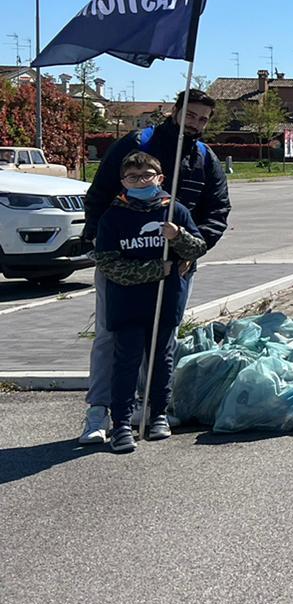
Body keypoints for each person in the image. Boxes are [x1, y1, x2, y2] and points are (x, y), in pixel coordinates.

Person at [79, 89, 231, 446]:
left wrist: (192, 248)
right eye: (190, 114)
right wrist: (101, 244)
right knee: (111, 337)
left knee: (162, 339)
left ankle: (150, 408)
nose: (196, 123)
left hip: (175, 267)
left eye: (203, 119)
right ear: (175, 111)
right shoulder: (139, 144)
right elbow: (99, 195)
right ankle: (100, 411)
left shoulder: (204, 157)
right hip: (122, 267)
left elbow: (217, 211)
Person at [91, 151, 208, 453]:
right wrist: (157, 269)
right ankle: (121, 423)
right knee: (126, 361)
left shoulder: (175, 211)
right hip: (127, 304)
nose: (141, 182)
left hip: (164, 301)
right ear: (123, 182)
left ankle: (158, 414)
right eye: (133, 177)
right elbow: (109, 264)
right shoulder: (114, 216)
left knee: (161, 360)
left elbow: (197, 248)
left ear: (160, 178)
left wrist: (179, 236)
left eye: (147, 176)